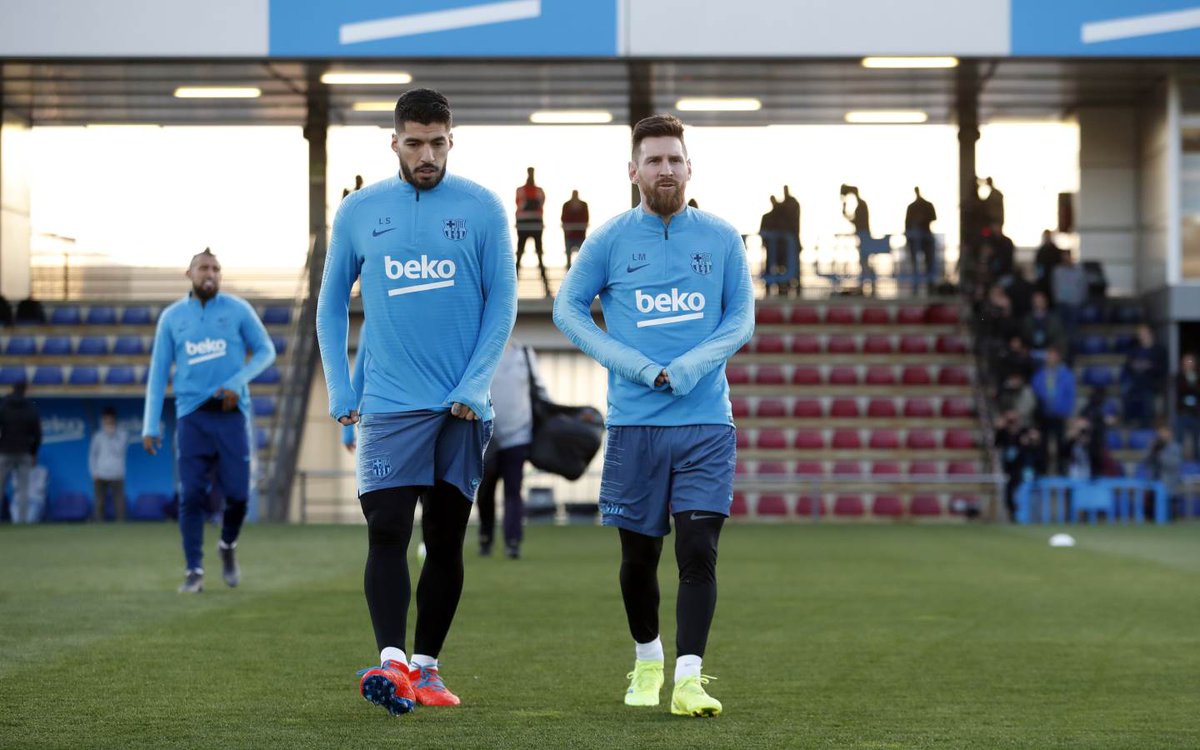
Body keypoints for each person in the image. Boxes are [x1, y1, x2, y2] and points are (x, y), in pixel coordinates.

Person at [316, 88, 516, 716]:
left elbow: (501, 304)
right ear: (394, 142)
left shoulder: (483, 209)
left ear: (452, 139)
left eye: (437, 143)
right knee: (386, 531)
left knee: (448, 539)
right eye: (414, 143)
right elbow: (328, 306)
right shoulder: (358, 211)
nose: (426, 155)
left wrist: (475, 384)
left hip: (460, 407)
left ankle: (427, 669)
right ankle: (392, 662)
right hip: (387, 404)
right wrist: (341, 386)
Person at [553, 114, 754, 718]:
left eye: (675, 158)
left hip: (705, 425)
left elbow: (740, 319)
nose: (665, 169)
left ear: (690, 166)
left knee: (698, 549)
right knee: (638, 558)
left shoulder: (721, 238)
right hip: (636, 426)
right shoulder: (611, 239)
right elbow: (568, 309)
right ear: (634, 170)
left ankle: (689, 678)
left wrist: (692, 365)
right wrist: (636, 366)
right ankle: (647, 659)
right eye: (653, 160)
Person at [142, 248, 276, 593]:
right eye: (204, 268)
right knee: (190, 496)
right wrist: (150, 424)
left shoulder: (237, 310)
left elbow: (266, 351)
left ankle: (227, 546)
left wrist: (237, 381)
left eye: (216, 268)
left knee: (238, 495)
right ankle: (194, 572)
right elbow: (158, 373)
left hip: (231, 415)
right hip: (191, 417)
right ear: (189, 274)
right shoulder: (172, 318)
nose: (211, 273)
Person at [476, 340, 549, 560]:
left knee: (513, 491)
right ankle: (486, 538)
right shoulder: (482, 352)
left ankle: (513, 541)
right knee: (486, 491)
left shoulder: (525, 354)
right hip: (487, 438)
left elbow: (541, 391)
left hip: (519, 436)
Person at [0, 383, 41, 524]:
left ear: (12, 390)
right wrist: (34, 452)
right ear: (25, 391)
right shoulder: (29, 407)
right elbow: (37, 433)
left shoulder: (4, 405)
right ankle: (22, 521)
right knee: (23, 489)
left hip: (4, 451)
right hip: (24, 452)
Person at [1031, 347, 1076, 475]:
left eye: (1052, 356)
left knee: (1062, 444)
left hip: (1060, 415)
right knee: (1043, 445)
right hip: (1044, 415)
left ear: (1058, 357)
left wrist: (1068, 412)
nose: (1049, 358)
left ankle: (1062, 471)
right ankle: (1043, 471)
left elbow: (1070, 395)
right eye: (1048, 356)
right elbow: (1036, 391)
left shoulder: (1066, 374)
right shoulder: (1040, 374)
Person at [1120, 324, 1167, 428]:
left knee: (1147, 411)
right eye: (1139, 334)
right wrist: (1136, 365)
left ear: (1151, 333)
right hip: (1135, 384)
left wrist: (1149, 366)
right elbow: (1127, 366)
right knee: (1128, 400)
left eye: (1143, 333)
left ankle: (1146, 430)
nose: (1141, 335)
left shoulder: (1159, 350)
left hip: (1150, 386)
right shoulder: (1134, 350)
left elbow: (1163, 369)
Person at [515, 166, 550, 297]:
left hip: (536, 225)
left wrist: (530, 202)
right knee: (519, 256)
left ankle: (547, 289)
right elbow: (522, 204)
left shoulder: (538, 191)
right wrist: (531, 202)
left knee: (540, 255)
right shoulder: (522, 190)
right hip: (524, 225)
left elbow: (538, 203)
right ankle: (512, 289)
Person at [89, 406, 128, 522]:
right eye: (106, 420)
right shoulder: (98, 436)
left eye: (110, 420)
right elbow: (92, 455)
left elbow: (120, 450)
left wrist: (112, 436)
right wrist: (93, 471)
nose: (108, 422)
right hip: (100, 473)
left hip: (117, 473)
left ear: (114, 420)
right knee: (99, 501)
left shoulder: (122, 434)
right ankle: (98, 524)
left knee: (119, 501)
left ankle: (121, 526)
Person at [904, 187, 937, 292]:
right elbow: (907, 223)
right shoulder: (912, 207)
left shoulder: (927, 205)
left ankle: (929, 286)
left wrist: (923, 219)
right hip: (915, 239)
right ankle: (916, 287)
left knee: (929, 263)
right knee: (915, 264)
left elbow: (933, 217)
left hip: (926, 238)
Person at [1175, 352, 1200, 460]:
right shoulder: (1179, 376)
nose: (1188, 363)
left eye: (1191, 361)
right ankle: (1179, 463)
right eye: (1186, 361)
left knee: (1196, 441)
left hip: (1196, 413)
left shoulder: (1198, 376)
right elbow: (1181, 391)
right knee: (1179, 440)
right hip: (1182, 412)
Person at [560, 190, 590, 271]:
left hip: (580, 235)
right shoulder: (566, 205)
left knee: (582, 256)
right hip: (570, 236)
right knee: (568, 255)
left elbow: (586, 218)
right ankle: (569, 271)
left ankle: (582, 271)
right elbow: (563, 218)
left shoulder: (583, 205)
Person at [1033, 230, 1062, 299]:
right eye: (1045, 237)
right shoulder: (1040, 251)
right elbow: (1038, 266)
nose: (1047, 238)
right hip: (1043, 279)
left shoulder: (1056, 251)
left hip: (1055, 278)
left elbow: (1059, 265)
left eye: (1048, 236)